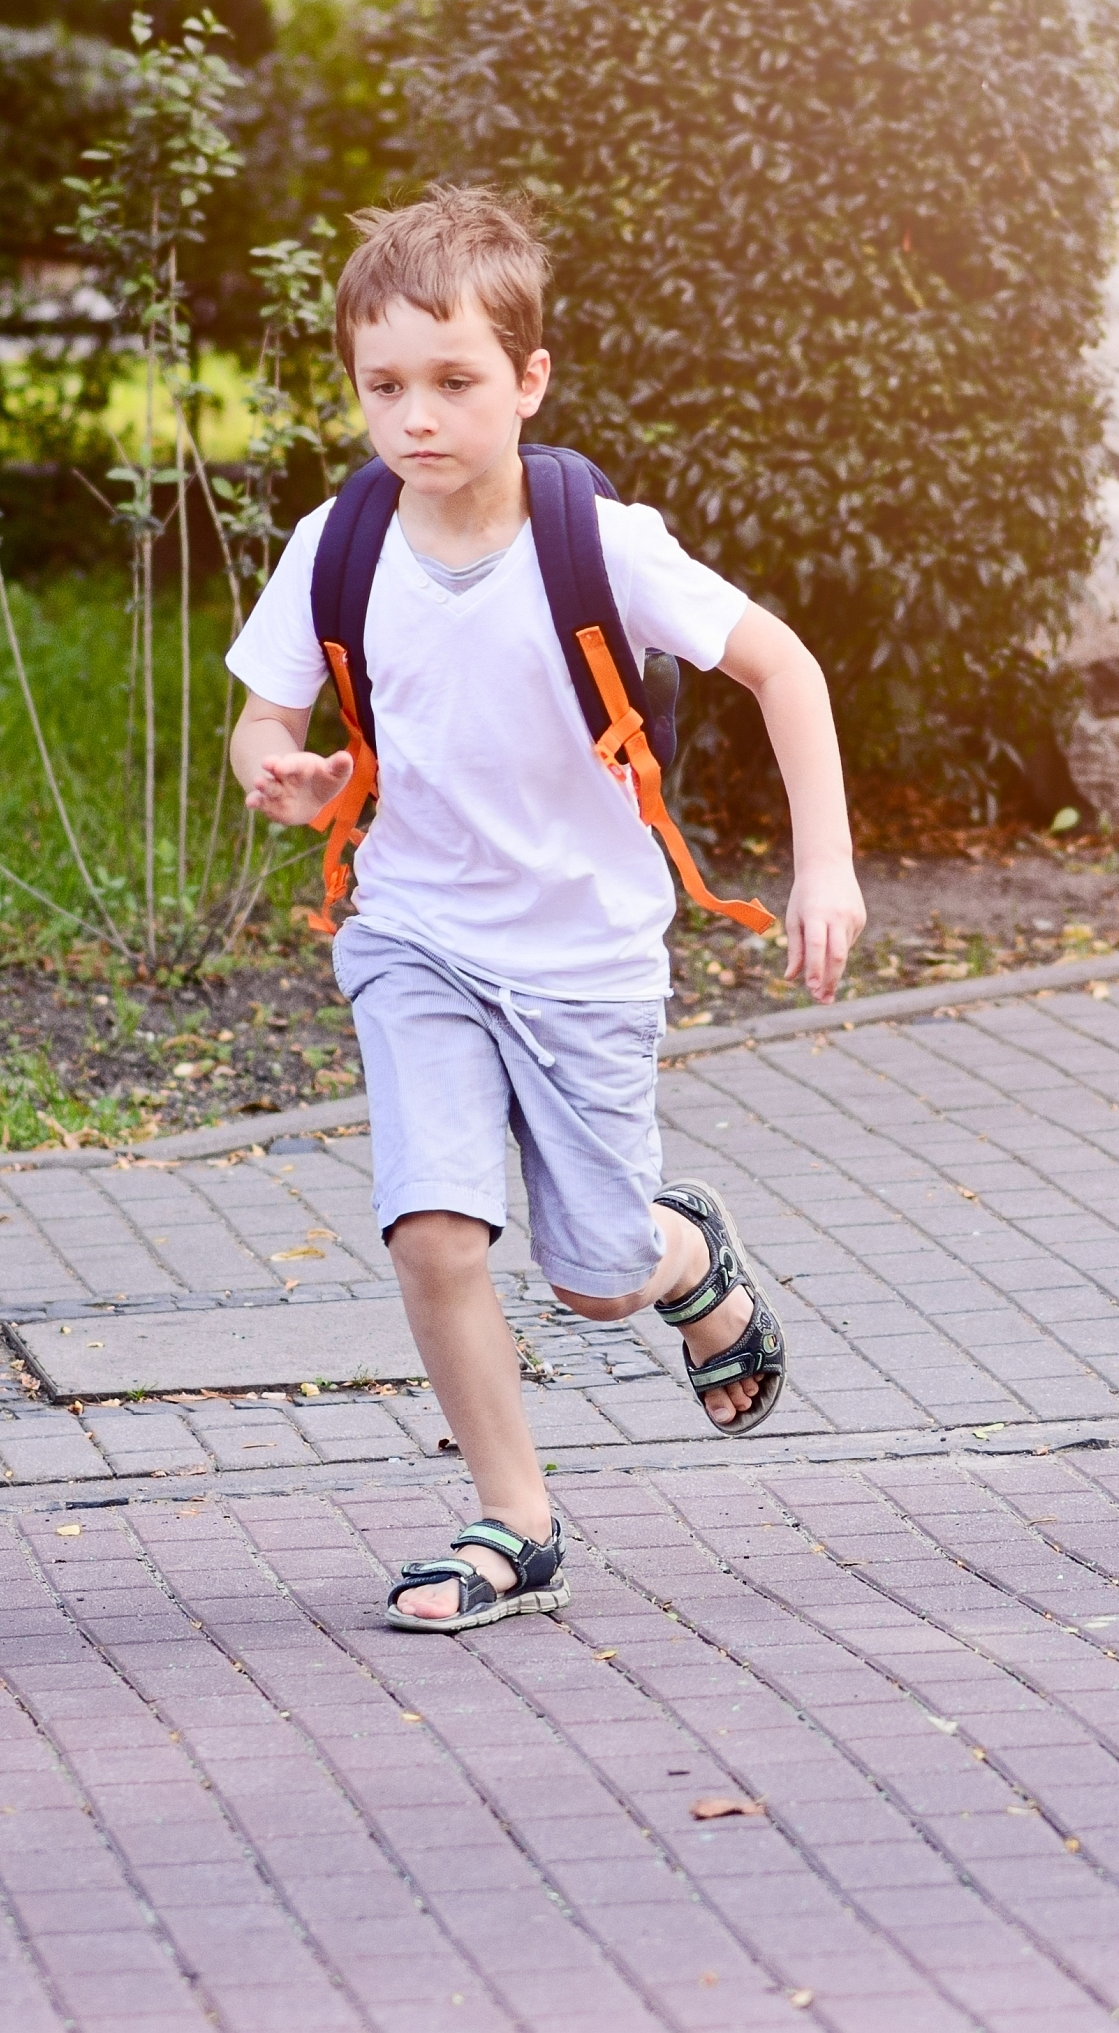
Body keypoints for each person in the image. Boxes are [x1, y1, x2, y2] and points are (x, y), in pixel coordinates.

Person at [224, 186, 865, 1633]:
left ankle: (682, 1249)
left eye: (453, 383)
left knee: (596, 1278)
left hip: (584, 956)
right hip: (415, 935)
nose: (417, 418)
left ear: (528, 380)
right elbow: (261, 721)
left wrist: (823, 863)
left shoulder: (599, 541)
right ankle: (516, 1519)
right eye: (384, 386)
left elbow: (787, 669)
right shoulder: (340, 543)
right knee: (433, 1228)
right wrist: (280, 770)